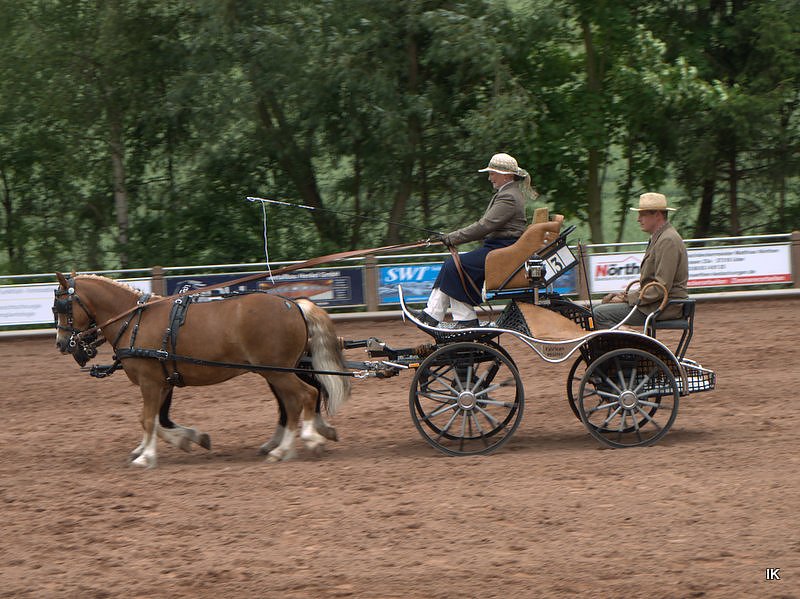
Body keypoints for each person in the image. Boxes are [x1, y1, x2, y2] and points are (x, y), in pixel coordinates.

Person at [412, 152, 532, 328]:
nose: (490, 178)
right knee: (453, 266)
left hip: (501, 249)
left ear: (506, 175)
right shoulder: (509, 193)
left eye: (492, 173)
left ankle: (455, 317)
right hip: (498, 247)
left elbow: (484, 226)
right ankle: (436, 314)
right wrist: (451, 237)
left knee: (454, 265)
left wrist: (452, 237)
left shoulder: (508, 197)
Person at [593, 192, 689, 329]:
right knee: (601, 307)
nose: (639, 219)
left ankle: (628, 344)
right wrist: (626, 296)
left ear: (657, 215)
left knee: (599, 314)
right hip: (657, 303)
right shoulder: (661, 237)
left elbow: (661, 287)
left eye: (643, 214)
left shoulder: (667, 240)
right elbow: (655, 286)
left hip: (664, 307)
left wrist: (627, 298)